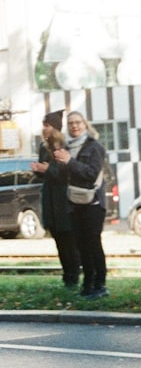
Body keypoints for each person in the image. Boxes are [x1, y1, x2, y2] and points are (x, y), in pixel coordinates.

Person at [51, 112, 109, 299]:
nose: (74, 126)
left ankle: (100, 284)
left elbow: (91, 173)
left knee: (93, 243)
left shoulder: (94, 147)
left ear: (85, 124)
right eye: (70, 123)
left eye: (77, 122)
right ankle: (87, 283)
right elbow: (63, 178)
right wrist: (54, 166)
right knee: (80, 245)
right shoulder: (67, 148)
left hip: (93, 202)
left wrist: (70, 162)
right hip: (74, 203)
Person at [29, 110, 79, 289]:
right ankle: (67, 275)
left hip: (63, 199)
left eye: (47, 125)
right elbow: (46, 173)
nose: (44, 129)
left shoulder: (64, 146)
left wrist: (46, 170)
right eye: (43, 125)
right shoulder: (44, 147)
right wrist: (38, 170)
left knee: (68, 239)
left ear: (56, 127)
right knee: (58, 238)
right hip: (50, 198)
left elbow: (65, 174)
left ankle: (73, 275)